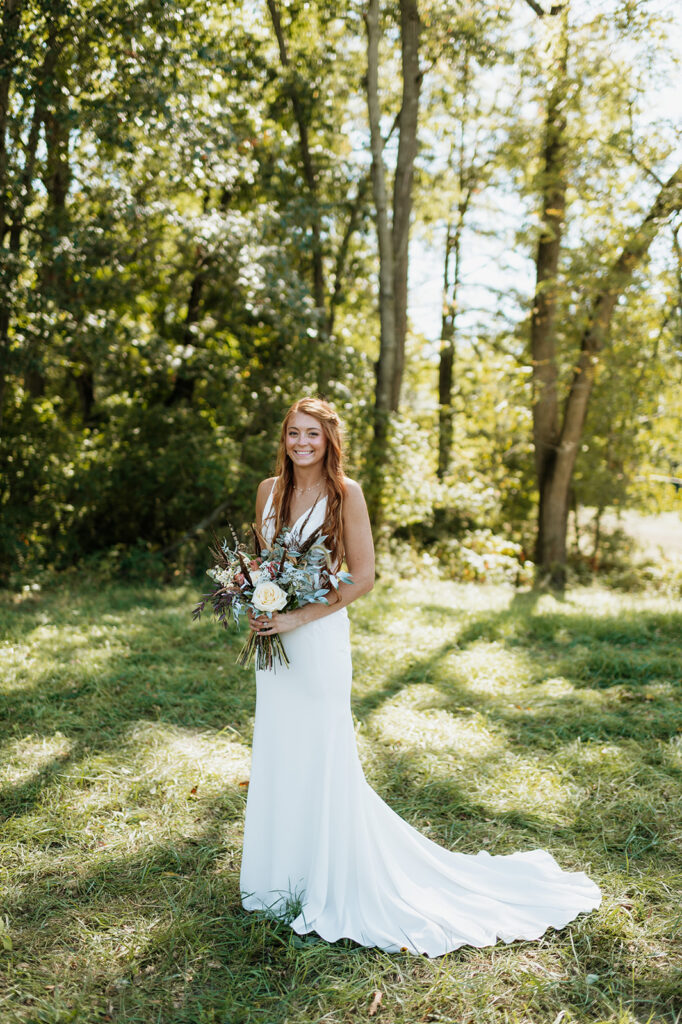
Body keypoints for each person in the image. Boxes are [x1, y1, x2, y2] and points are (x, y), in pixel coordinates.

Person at [240, 397, 601, 957]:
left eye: (312, 434)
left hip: (316, 638)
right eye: (293, 433)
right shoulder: (268, 490)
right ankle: (281, 874)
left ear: (328, 440)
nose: (301, 443)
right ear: (283, 438)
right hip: (274, 642)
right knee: (281, 748)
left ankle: (330, 874)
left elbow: (362, 578)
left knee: (321, 750)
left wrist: (296, 616)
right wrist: (261, 603)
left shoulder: (345, 494)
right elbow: (265, 564)